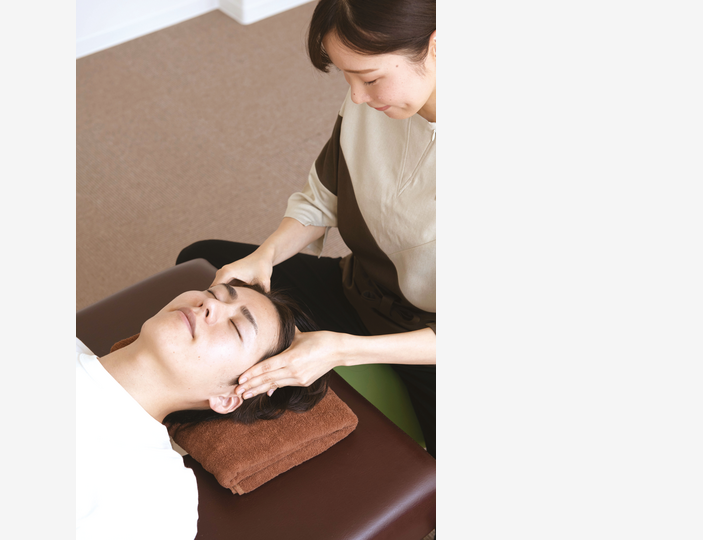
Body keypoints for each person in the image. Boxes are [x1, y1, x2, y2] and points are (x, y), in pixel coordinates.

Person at [176, 0, 437, 457]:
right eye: (346, 76)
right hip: (358, 290)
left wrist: (341, 350)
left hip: (428, 344)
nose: (357, 96)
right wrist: (266, 255)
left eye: (370, 78)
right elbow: (323, 197)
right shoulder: (374, 104)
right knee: (202, 262)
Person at [76, 280, 327, 539]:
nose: (210, 305)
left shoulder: (158, 496)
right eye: (213, 293)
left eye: (236, 327)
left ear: (227, 398)